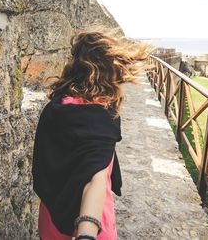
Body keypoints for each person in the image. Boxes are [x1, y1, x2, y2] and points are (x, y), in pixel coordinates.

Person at [32, 27, 153, 240]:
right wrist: (87, 234)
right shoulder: (100, 116)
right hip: (92, 227)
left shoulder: (56, 107)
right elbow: (94, 178)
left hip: (50, 219)